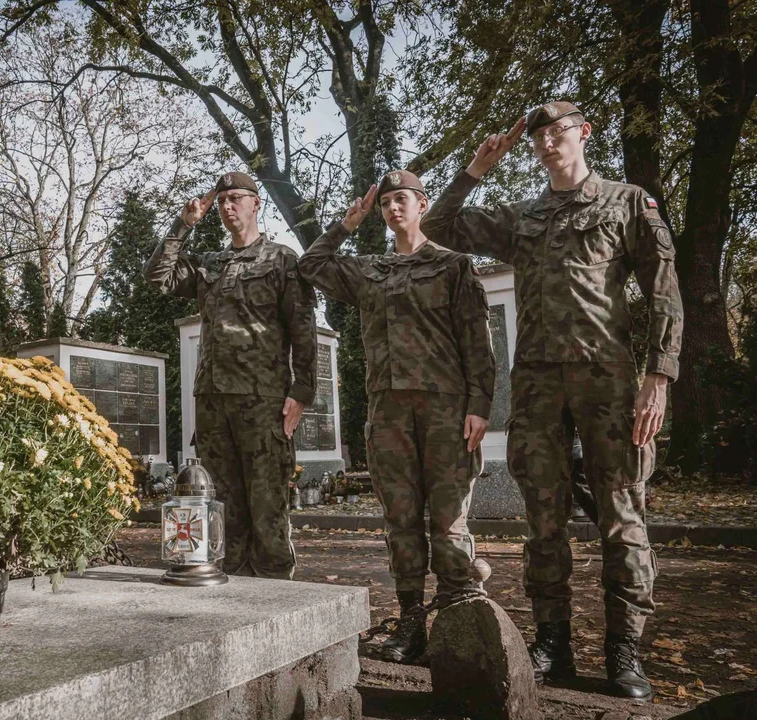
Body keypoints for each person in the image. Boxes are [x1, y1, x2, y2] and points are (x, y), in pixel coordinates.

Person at [422, 101, 684, 699]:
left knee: (622, 517)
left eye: (559, 130)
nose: (547, 142)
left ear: (584, 133)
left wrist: (659, 375)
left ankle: (624, 650)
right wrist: (475, 171)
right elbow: (438, 228)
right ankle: (553, 643)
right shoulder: (524, 217)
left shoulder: (626, 201)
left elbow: (665, 289)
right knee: (542, 522)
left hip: (609, 383)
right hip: (539, 387)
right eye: (538, 135)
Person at [299, 169, 495, 663]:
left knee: (449, 520)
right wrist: (346, 224)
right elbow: (312, 265)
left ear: (423, 203)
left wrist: (479, 406)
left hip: (446, 408)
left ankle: (457, 616)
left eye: (401, 199)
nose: (392, 208)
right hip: (388, 411)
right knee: (400, 520)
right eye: (385, 203)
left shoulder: (453, 266)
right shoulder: (372, 270)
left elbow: (477, 340)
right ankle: (411, 621)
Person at [144, 171, 317, 579]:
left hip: (264, 401)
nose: (227, 206)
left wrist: (302, 390)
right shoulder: (209, 264)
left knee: (268, 509)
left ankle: (277, 600)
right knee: (221, 509)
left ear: (257, 204)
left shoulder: (281, 259)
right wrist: (183, 224)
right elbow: (158, 276)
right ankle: (236, 596)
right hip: (214, 401)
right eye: (222, 200)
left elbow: (302, 327)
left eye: (236, 198)